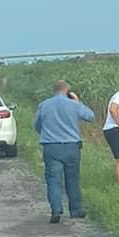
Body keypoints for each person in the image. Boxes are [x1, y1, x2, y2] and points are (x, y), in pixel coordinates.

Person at [33, 79, 97, 223]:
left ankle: (56, 209)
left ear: (53, 90)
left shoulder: (44, 105)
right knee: (72, 179)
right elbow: (91, 116)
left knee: (53, 179)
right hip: (71, 146)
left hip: (51, 146)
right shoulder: (73, 105)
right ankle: (76, 210)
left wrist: (47, 133)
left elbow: (37, 125)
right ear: (67, 90)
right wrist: (77, 102)